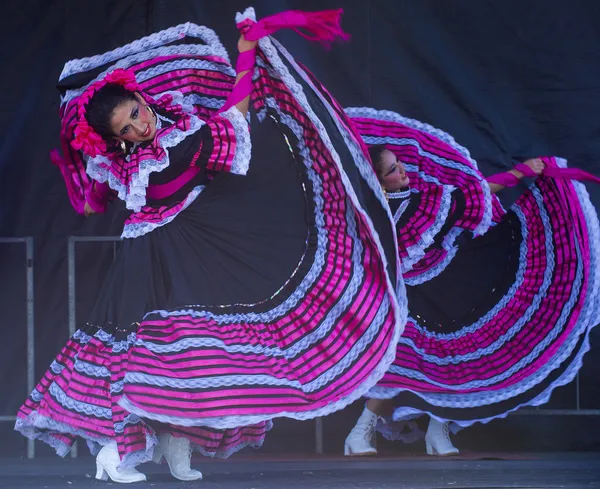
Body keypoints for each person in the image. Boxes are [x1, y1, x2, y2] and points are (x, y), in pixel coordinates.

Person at [15, 10, 406, 483]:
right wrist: (244, 61)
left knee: (200, 356)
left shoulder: (175, 128)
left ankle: (179, 442)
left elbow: (226, 129)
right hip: (154, 264)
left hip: (189, 250)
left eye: (136, 115)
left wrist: (244, 64)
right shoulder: (157, 158)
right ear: (117, 142)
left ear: (141, 98)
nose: (139, 129)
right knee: (144, 355)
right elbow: (234, 119)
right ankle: (116, 453)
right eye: (126, 130)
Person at [342, 107, 600, 457]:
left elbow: (474, 193)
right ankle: (360, 434)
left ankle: (439, 431)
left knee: (459, 363)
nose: (402, 170)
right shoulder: (370, 213)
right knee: (398, 362)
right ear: (379, 180)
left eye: (399, 164)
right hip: (409, 299)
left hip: (453, 286)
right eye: (392, 170)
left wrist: (520, 173)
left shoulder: (424, 201)